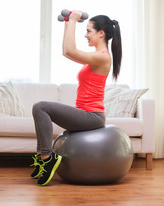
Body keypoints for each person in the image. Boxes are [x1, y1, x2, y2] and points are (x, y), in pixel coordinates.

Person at [31, 10, 122, 186]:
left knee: (41, 107)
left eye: (89, 31)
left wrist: (73, 20)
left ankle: (47, 158)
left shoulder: (102, 58)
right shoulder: (95, 57)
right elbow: (66, 51)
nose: (85, 35)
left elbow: (69, 51)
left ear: (101, 33)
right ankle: (41, 159)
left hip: (92, 116)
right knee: (39, 110)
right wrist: (67, 24)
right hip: (84, 113)